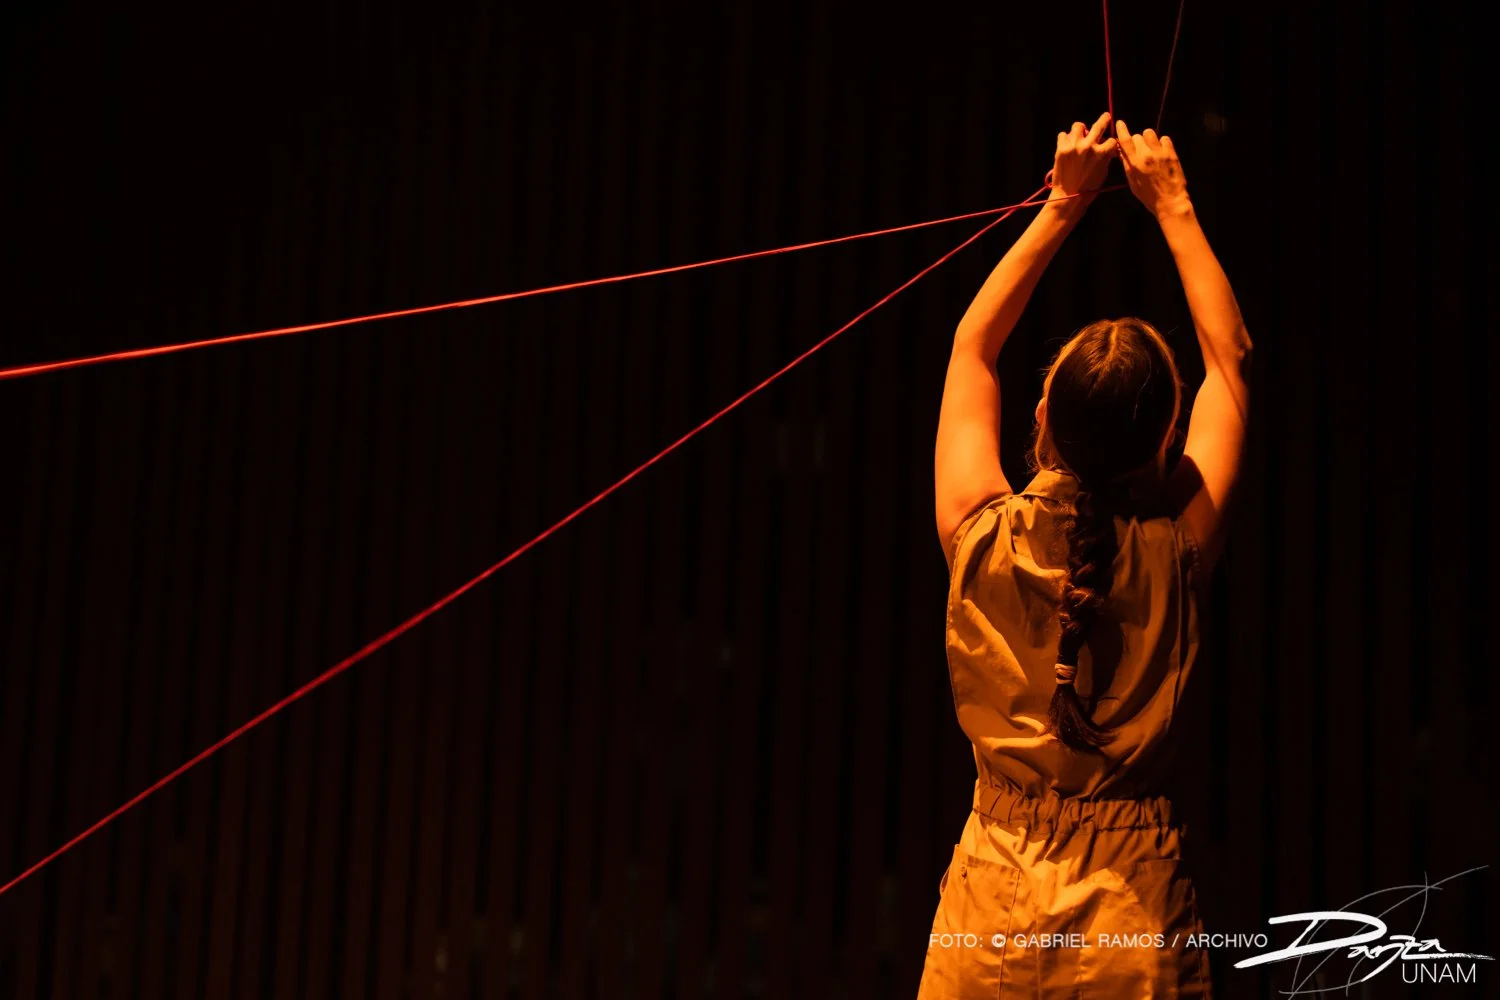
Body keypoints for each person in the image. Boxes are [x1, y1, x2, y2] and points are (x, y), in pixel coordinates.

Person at [919, 111, 1252, 998]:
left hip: (986, 911)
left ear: (1041, 425)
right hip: (1130, 919)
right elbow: (1233, 364)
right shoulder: (1177, 551)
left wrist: (1065, 203)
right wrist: (1173, 205)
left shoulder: (980, 534)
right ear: (1161, 453)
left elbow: (971, 348)